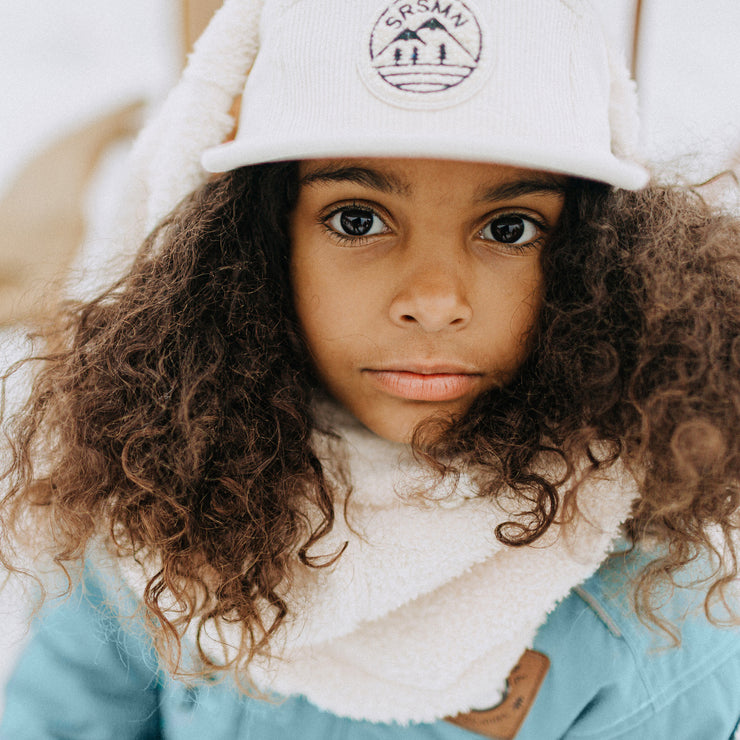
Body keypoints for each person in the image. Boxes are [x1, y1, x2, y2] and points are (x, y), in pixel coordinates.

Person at [1, 0, 740, 737]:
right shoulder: (162, 487)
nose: (435, 301)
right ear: (253, 243)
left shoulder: (650, 620)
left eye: (509, 227)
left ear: (599, 258)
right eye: (357, 219)